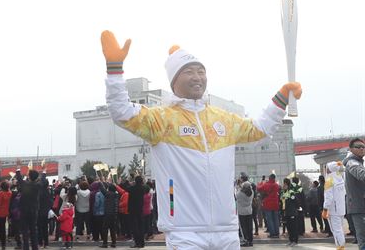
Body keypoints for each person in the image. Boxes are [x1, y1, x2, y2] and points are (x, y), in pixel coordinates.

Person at [100, 30, 302, 250]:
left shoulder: (223, 119)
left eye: (201, 71)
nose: (197, 77)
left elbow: (259, 129)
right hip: (185, 231)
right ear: (174, 81)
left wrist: (280, 99)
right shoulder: (161, 120)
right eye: (189, 72)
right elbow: (121, 111)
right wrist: (114, 71)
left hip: (227, 230)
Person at [344, 137, 365, 249]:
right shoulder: (352, 163)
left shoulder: (358, 162)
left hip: (360, 205)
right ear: (351, 149)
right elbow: (361, 174)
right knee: (363, 239)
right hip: (359, 207)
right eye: (358, 147)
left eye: (363, 147)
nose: (362, 149)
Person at [322, 161, 346, 250]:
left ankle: (340, 247)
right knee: (340, 230)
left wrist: (325, 209)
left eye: (327, 168)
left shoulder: (329, 180)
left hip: (333, 210)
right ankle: (341, 246)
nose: (326, 170)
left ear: (329, 169)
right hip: (341, 209)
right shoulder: (341, 178)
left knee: (336, 231)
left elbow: (328, 197)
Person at [281, 178, 301, 246]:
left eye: (284, 183)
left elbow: (295, 201)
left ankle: (295, 241)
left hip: (292, 212)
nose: (283, 185)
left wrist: (295, 208)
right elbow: (282, 201)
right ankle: (290, 240)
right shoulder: (284, 192)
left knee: (293, 227)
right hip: (287, 212)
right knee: (289, 227)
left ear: (286, 184)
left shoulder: (291, 191)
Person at [236, 178, 254, 247]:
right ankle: (251, 241)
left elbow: (236, 195)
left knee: (244, 228)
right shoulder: (251, 193)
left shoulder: (240, 194)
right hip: (249, 211)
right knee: (250, 227)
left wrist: (239, 187)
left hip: (242, 212)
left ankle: (246, 240)